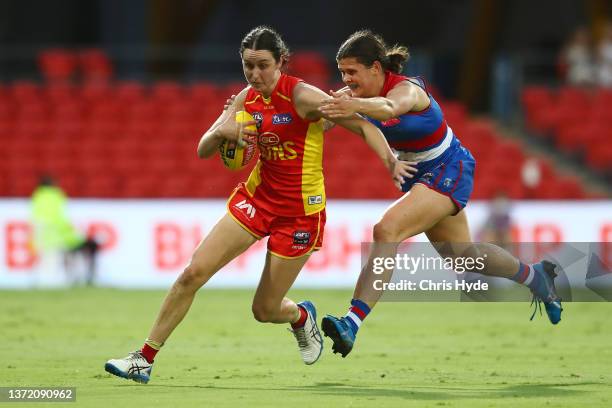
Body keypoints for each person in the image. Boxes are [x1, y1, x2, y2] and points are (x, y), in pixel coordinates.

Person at [104, 26, 415, 383]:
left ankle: (300, 316)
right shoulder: (244, 99)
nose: (254, 74)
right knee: (193, 273)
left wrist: (391, 161)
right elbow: (204, 149)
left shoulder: (303, 97)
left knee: (264, 310)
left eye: (262, 65)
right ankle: (143, 359)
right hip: (258, 199)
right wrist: (224, 132)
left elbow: (363, 126)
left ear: (281, 62)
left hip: (300, 213)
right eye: (247, 66)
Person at [318, 30, 563, 358]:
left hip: (449, 166)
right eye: (342, 73)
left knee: (386, 229)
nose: (346, 79)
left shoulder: (407, 89)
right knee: (463, 256)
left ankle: (351, 322)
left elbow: (390, 108)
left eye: (352, 72)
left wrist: (352, 104)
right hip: (420, 174)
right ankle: (536, 276)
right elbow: (329, 120)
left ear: (376, 68)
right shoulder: (357, 97)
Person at [31, 175, 99, 286]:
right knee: (56, 265)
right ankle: (59, 284)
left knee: (44, 263)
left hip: (41, 235)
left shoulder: (37, 197)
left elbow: (35, 219)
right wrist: (72, 234)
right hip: (56, 236)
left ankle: (40, 285)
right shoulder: (56, 196)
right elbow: (60, 218)